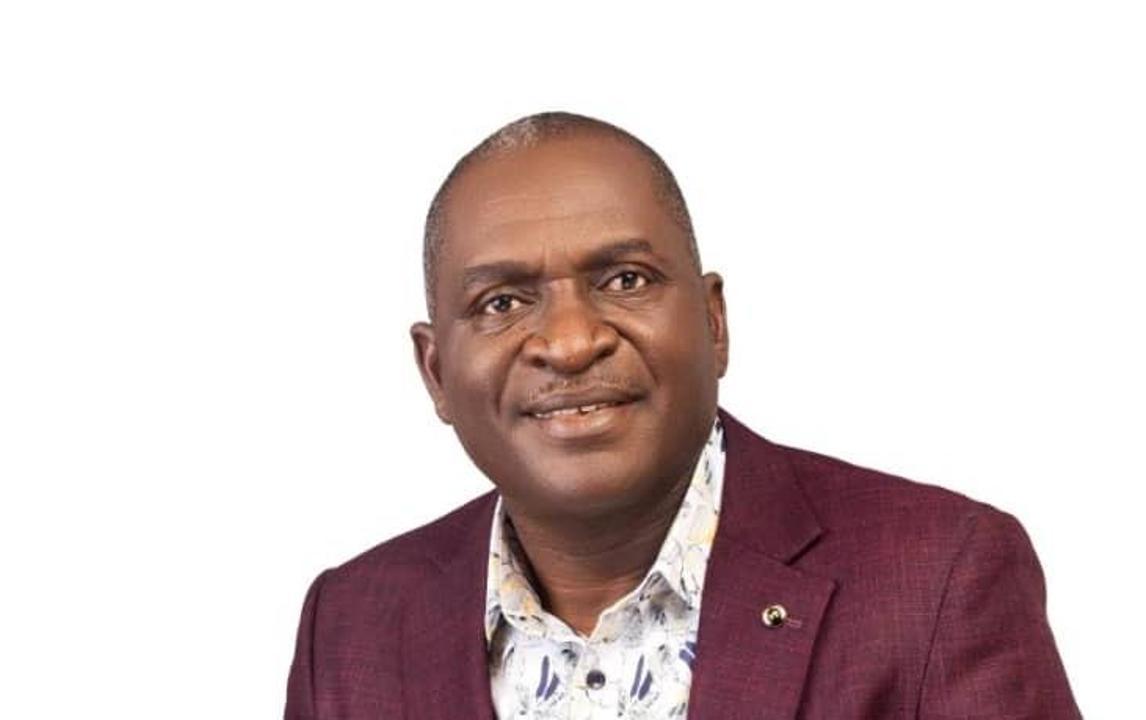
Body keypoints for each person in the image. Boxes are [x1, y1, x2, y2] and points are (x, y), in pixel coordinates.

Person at [284, 112, 1082, 719]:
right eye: (502, 301)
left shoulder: (939, 578)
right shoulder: (349, 625)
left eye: (625, 280)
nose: (571, 342)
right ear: (435, 372)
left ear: (713, 322)